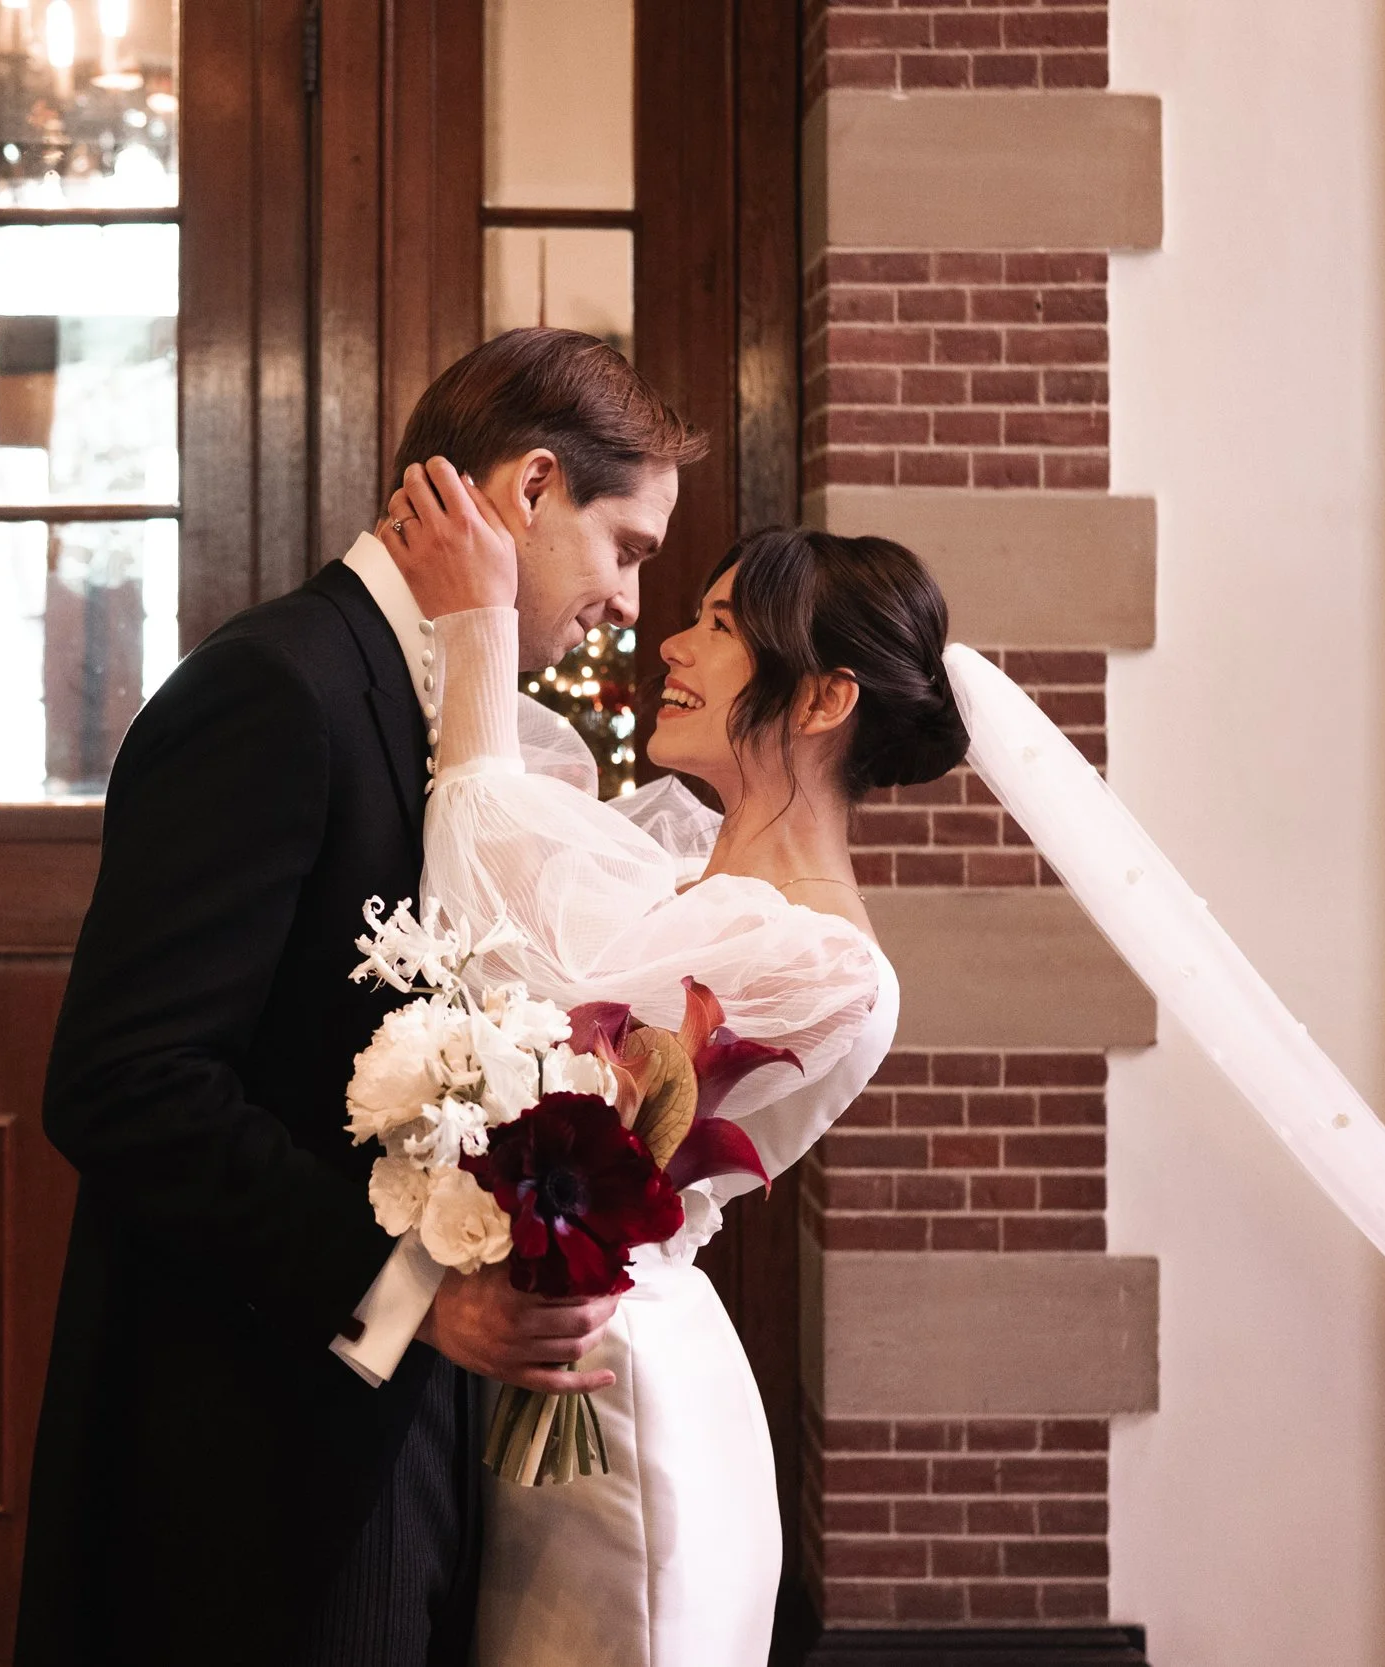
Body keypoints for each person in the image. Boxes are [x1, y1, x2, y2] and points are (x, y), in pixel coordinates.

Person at [12, 328, 706, 1666]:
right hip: (255, 1445)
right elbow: (126, 1082)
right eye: (628, 547)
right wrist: (407, 1292)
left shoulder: (440, 709)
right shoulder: (278, 688)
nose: (627, 604)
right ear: (535, 487)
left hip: (402, 1417)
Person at [378, 468, 970, 1665]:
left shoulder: (810, 956)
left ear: (822, 699)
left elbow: (478, 862)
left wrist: (482, 628)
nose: (671, 642)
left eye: (717, 625)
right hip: (569, 1363)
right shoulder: (680, 879)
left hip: (624, 1397)